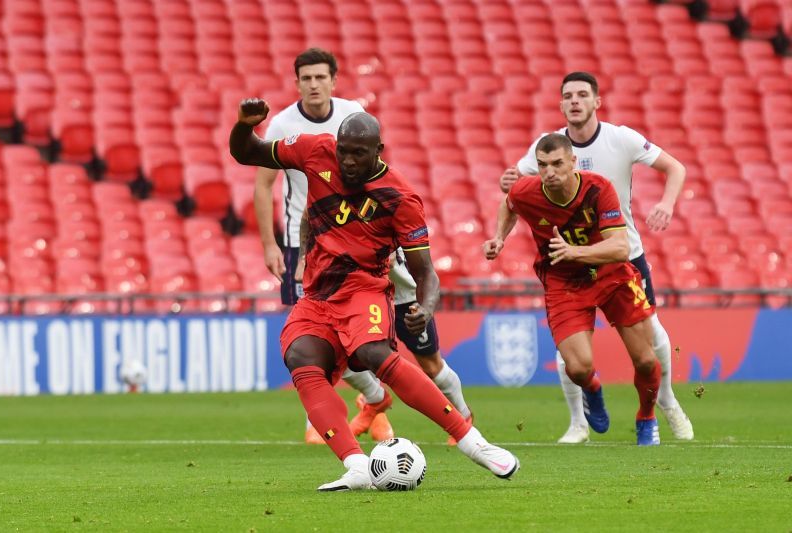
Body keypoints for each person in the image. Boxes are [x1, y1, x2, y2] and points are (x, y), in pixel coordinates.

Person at [231, 99, 519, 491]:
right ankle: (356, 466)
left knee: (371, 353)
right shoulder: (315, 151)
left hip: (364, 289)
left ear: (378, 152)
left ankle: (472, 441)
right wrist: (244, 126)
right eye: (344, 152)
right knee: (300, 357)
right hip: (317, 296)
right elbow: (246, 152)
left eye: (359, 154)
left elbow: (425, 272)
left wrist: (426, 305)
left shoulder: (400, 198)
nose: (348, 161)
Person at [255, 48, 472, 446]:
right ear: (297, 82)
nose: (314, 84)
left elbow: (380, 185)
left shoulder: (353, 115)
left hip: (372, 248)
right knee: (322, 339)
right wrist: (273, 246)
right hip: (310, 247)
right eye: (306, 78)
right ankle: (374, 399)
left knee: (425, 355)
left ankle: (463, 416)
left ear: (333, 81)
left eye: (321, 77)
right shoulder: (283, 124)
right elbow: (265, 183)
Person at [499, 71, 693, 444]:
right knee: (572, 352)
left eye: (582, 94)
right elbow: (515, 189)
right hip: (569, 266)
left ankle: (666, 402)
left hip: (622, 254)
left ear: (596, 101)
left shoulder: (622, 138)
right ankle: (578, 423)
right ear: (560, 104)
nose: (575, 101)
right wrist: (506, 195)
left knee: (652, 339)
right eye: (568, 95)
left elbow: (675, 167)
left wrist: (666, 204)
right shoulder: (548, 145)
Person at [485, 133, 662, 446]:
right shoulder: (528, 190)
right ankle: (592, 388)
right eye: (542, 165)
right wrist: (499, 237)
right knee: (578, 368)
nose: (549, 171)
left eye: (556, 164)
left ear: (572, 162)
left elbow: (620, 248)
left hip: (610, 275)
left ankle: (646, 417)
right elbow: (509, 202)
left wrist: (573, 252)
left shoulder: (598, 188)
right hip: (564, 282)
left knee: (646, 360)